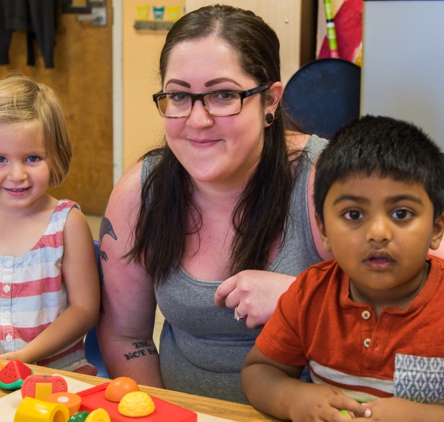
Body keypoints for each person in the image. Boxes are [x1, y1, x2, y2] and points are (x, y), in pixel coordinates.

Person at [97, 4, 330, 403]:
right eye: (179, 96)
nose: (198, 119)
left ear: (270, 100)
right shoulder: (141, 192)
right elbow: (125, 335)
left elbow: (424, 304)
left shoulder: (325, 179)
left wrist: (302, 301)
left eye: (223, 95)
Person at [241, 115, 444, 421]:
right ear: (324, 230)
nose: (378, 233)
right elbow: (258, 371)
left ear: (436, 228)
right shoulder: (310, 294)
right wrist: (295, 398)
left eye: (401, 213)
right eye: (353, 214)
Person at [0, 73, 100, 374]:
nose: (17, 175)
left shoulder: (68, 223)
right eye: (0, 159)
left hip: (55, 373)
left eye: (32, 158)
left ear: (55, 156)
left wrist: (25, 356)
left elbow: (84, 310)